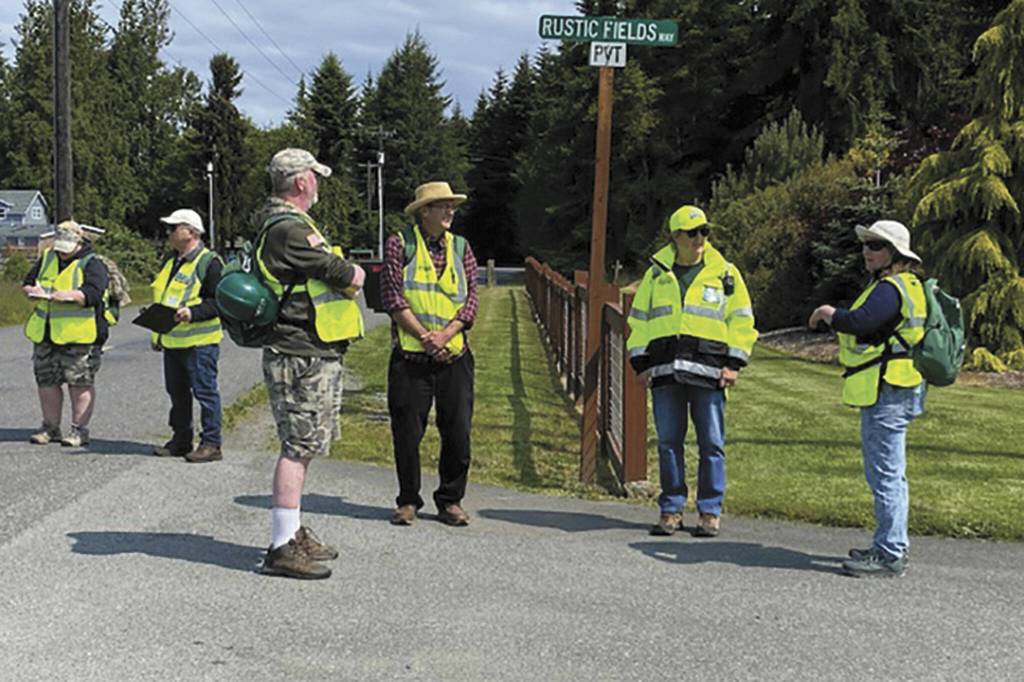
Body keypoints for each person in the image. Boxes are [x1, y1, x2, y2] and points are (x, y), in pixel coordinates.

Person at [255, 148, 365, 580]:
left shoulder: (289, 225)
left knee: (307, 445)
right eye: (315, 177)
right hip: (298, 353)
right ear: (301, 181)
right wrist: (354, 273)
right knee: (297, 448)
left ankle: (293, 531)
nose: (318, 184)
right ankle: (281, 546)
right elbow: (337, 271)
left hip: (311, 350)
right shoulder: (288, 228)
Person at [626, 205, 757, 538]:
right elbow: (639, 322)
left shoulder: (725, 273)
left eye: (704, 232)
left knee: (711, 443)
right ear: (675, 236)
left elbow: (741, 320)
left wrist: (734, 363)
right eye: (692, 232)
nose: (700, 238)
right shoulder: (657, 275)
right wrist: (640, 364)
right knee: (669, 443)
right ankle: (671, 510)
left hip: (710, 372)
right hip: (666, 372)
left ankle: (710, 512)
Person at [808, 220, 926, 578]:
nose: (867, 251)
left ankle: (889, 553)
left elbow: (860, 322)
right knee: (891, 474)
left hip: (888, 390)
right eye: (866, 245)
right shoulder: (907, 285)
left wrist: (828, 314)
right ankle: (889, 544)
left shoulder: (891, 288)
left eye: (875, 245)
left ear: (894, 253)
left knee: (885, 475)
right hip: (898, 386)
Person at [381, 181, 478, 527]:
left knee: (458, 432)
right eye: (443, 206)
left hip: (454, 356)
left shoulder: (462, 247)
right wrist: (425, 337)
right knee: (407, 433)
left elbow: (470, 303)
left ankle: (450, 500)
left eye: (452, 206)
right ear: (425, 212)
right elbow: (393, 299)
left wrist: (446, 334)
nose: (450, 212)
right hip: (412, 358)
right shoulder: (399, 245)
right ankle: (408, 500)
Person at [22, 220, 110, 448]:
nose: (61, 252)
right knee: (46, 381)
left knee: (79, 383)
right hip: (46, 332)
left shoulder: (92, 263)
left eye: (65, 248)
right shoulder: (48, 257)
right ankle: (50, 427)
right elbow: (29, 281)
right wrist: (31, 291)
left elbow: (95, 292)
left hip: (81, 336)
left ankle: (79, 430)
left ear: (79, 243)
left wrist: (73, 295)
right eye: (58, 247)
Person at [150, 208, 225, 463]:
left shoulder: (209, 262)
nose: (169, 232)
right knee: (177, 394)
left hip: (200, 342)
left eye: (174, 227)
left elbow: (219, 302)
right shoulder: (171, 262)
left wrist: (192, 313)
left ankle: (211, 443)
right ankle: (181, 440)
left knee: (205, 393)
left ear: (191, 232)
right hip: (173, 340)